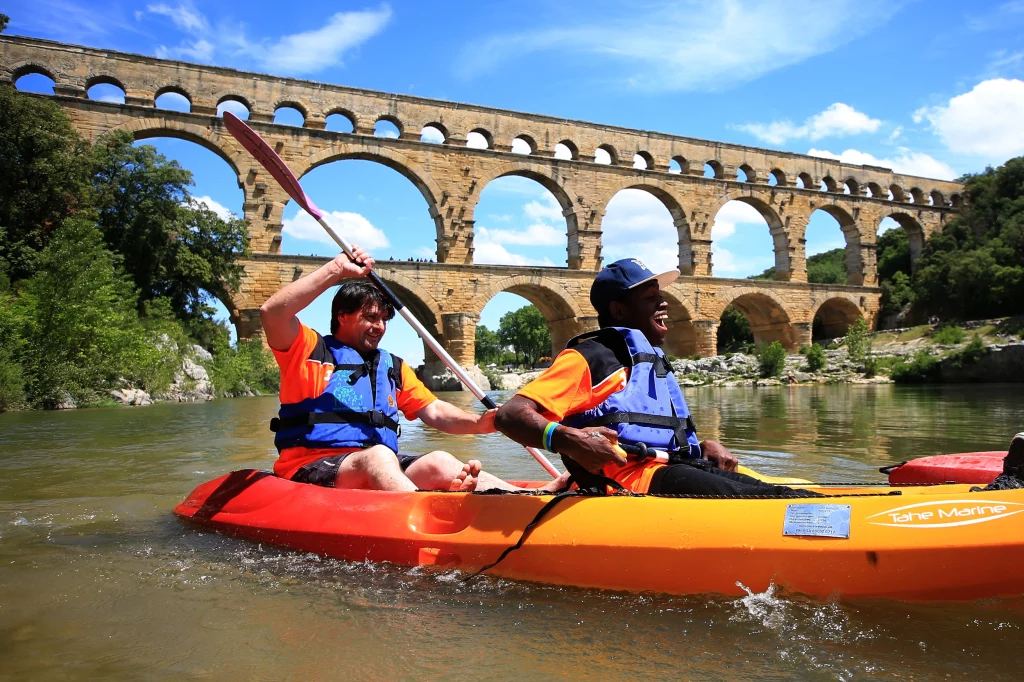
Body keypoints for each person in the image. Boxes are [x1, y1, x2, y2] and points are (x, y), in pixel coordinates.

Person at [495, 258, 819, 497]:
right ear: (619, 311)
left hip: (671, 469)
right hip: (628, 483)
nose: (664, 302)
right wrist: (571, 440)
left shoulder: (650, 360)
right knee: (778, 501)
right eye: (651, 298)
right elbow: (510, 415)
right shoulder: (590, 357)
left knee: (784, 494)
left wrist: (700, 446)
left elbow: (654, 431)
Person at [260, 246, 568, 493]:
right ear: (342, 316)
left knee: (440, 461)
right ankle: (425, 512)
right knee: (379, 456)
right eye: (370, 317)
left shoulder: (392, 367)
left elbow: (434, 410)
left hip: (377, 465)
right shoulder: (307, 349)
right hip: (312, 465)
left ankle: (528, 497)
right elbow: (272, 313)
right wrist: (336, 269)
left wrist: (479, 423)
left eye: (384, 320)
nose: (379, 327)